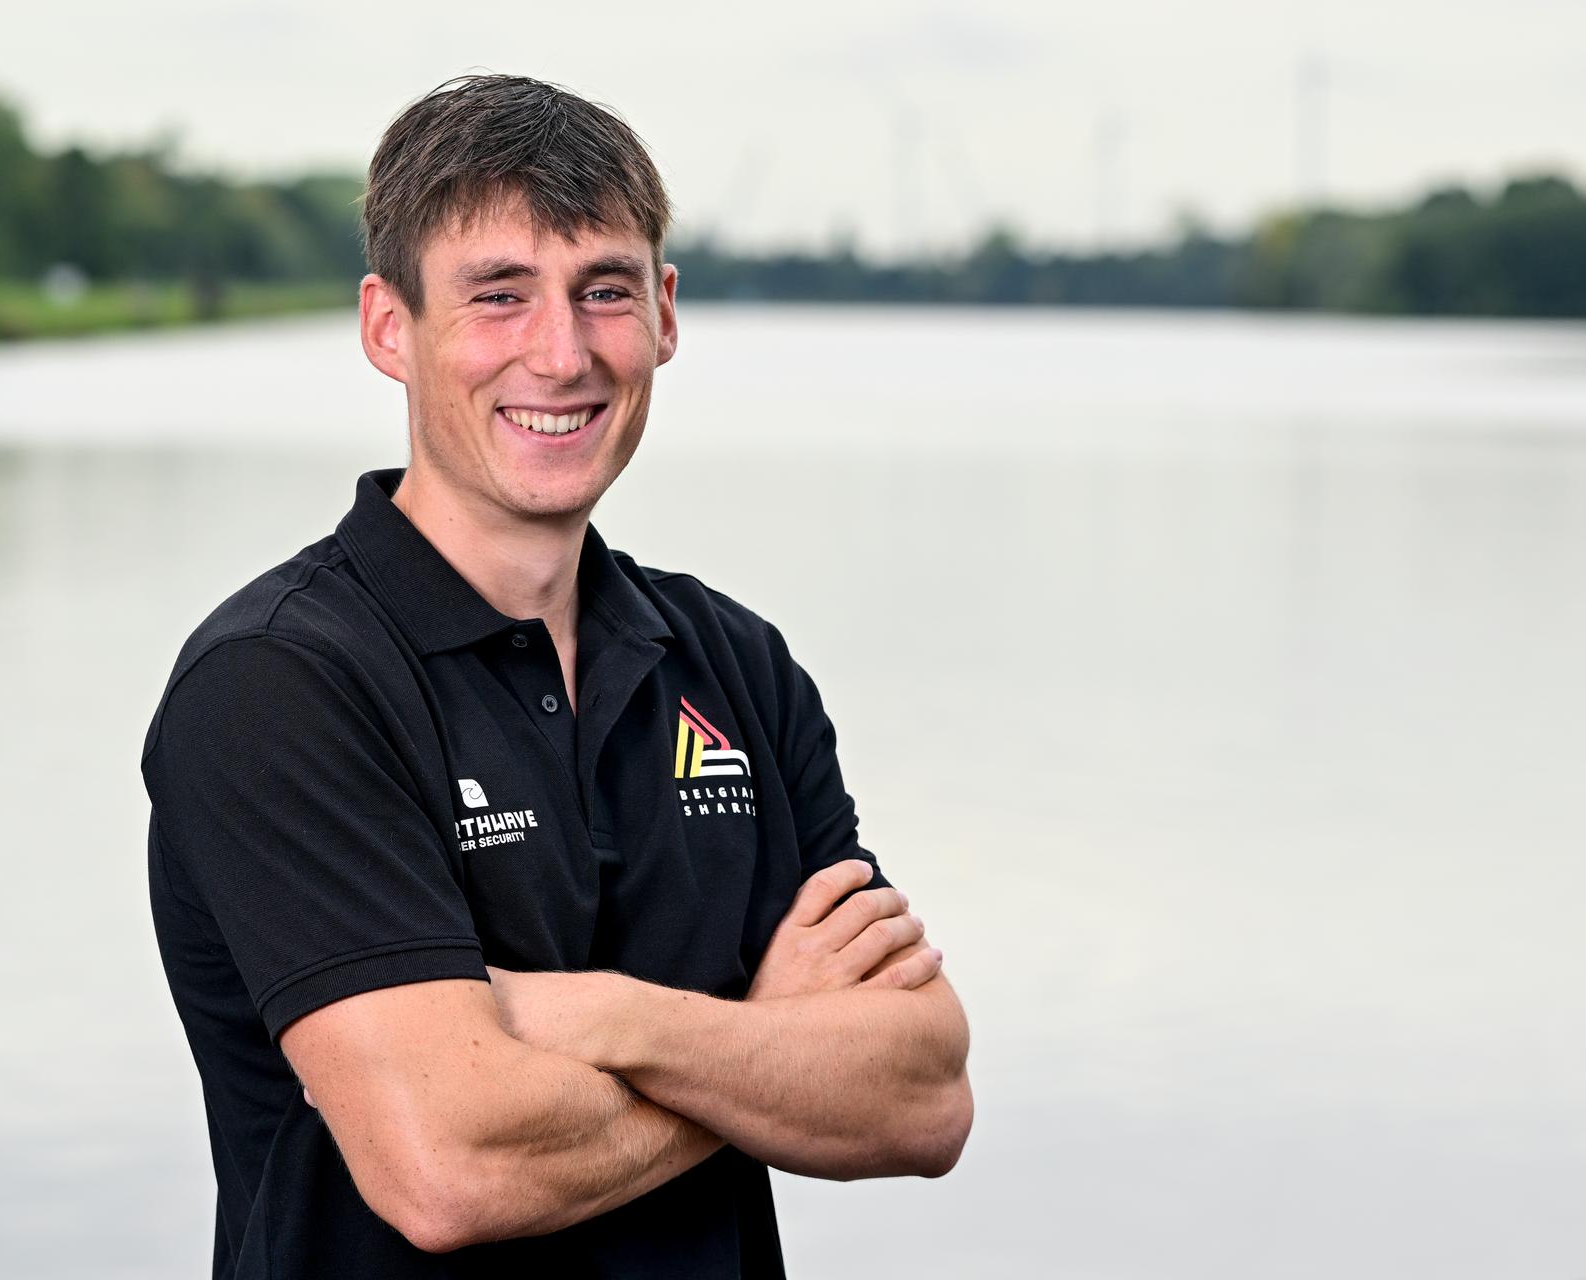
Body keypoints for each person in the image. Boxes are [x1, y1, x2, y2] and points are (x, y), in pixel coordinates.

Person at [142, 73, 973, 1278]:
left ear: (667, 313)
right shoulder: (279, 683)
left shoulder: (732, 662)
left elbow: (923, 1095)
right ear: (389, 327)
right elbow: (448, 1166)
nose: (563, 353)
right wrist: (766, 1047)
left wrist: (605, 1017)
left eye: (604, 292)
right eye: (499, 296)